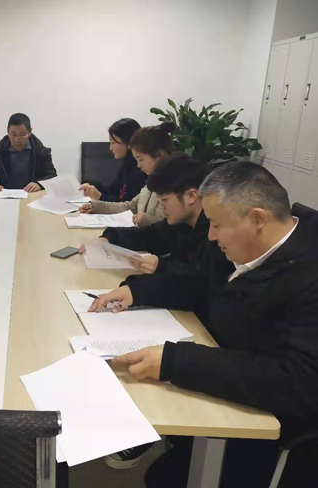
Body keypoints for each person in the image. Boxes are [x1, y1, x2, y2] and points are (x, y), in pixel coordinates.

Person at [89, 162, 318, 487]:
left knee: (165, 479)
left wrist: (175, 361)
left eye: (217, 225)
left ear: (257, 219)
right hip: (223, 378)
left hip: (274, 428)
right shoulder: (242, 246)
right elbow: (202, 287)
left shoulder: (307, 274)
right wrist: (137, 291)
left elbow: (295, 381)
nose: (210, 235)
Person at [88, 154, 233, 283]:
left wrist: (161, 265)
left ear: (191, 196)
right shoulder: (182, 222)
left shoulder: (216, 233)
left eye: (164, 200)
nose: (162, 207)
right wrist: (110, 238)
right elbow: (150, 236)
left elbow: (202, 280)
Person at [79, 122, 176, 227]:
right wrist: (96, 206)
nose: (138, 165)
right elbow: (131, 206)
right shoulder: (152, 181)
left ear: (160, 155)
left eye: (141, 160)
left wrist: (145, 220)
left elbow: (175, 227)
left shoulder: (176, 185)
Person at [0, 113, 57, 192]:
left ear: (30, 132)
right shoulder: (0, 150)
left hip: (32, 195)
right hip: (6, 195)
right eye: (13, 135)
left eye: (22, 135)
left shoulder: (40, 151)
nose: (17, 139)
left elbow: (51, 175)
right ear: (8, 131)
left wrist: (39, 184)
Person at [79, 118, 146, 202]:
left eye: (113, 142)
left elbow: (127, 205)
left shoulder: (140, 170)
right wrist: (91, 185)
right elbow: (113, 191)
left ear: (129, 142)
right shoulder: (126, 165)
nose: (110, 148)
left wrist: (100, 196)